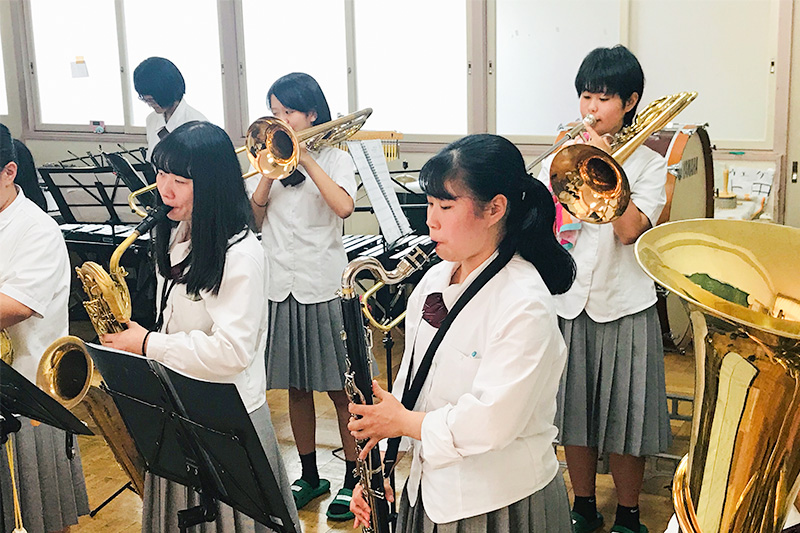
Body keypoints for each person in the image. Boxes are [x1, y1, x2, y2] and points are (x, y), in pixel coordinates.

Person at [348, 133, 576, 533]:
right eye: (430, 204)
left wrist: (401, 423)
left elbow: (492, 422)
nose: (430, 220)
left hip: (500, 500)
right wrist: (384, 462)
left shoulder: (525, 300)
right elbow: (412, 384)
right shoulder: (435, 277)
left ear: (494, 209)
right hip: (429, 488)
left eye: (445, 206)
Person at [100, 121, 300, 532]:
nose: (164, 189)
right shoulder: (180, 233)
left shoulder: (241, 254)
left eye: (180, 180)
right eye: (160, 175)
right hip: (179, 404)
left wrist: (148, 344)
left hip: (227, 421)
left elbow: (232, 353)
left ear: (211, 184)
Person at [536, 45, 671, 533]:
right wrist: (567, 162)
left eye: (602, 99)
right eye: (585, 97)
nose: (590, 109)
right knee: (573, 409)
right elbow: (541, 217)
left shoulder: (653, 168)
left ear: (630, 101)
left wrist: (612, 165)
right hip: (571, 301)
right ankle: (584, 504)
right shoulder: (565, 155)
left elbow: (630, 230)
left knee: (626, 417)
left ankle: (630, 513)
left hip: (625, 304)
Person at [248, 72, 358, 521]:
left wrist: (306, 158)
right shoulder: (269, 164)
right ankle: (310, 473)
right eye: (274, 112)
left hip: (323, 285)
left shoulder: (335, 158)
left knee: (340, 390)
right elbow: (254, 219)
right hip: (281, 285)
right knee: (295, 387)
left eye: (287, 112)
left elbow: (344, 207)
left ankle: (355, 477)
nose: (280, 120)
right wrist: (268, 173)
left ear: (311, 114)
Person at [0, 123, 90, 532]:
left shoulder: (37, 229)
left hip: (27, 384)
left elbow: (15, 307)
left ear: (9, 172)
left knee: (35, 513)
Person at [133, 57, 207, 161]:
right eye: (146, 100)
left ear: (166, 92)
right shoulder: (151, 119)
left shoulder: (197, 125)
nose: (150, 105)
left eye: (152, 100)